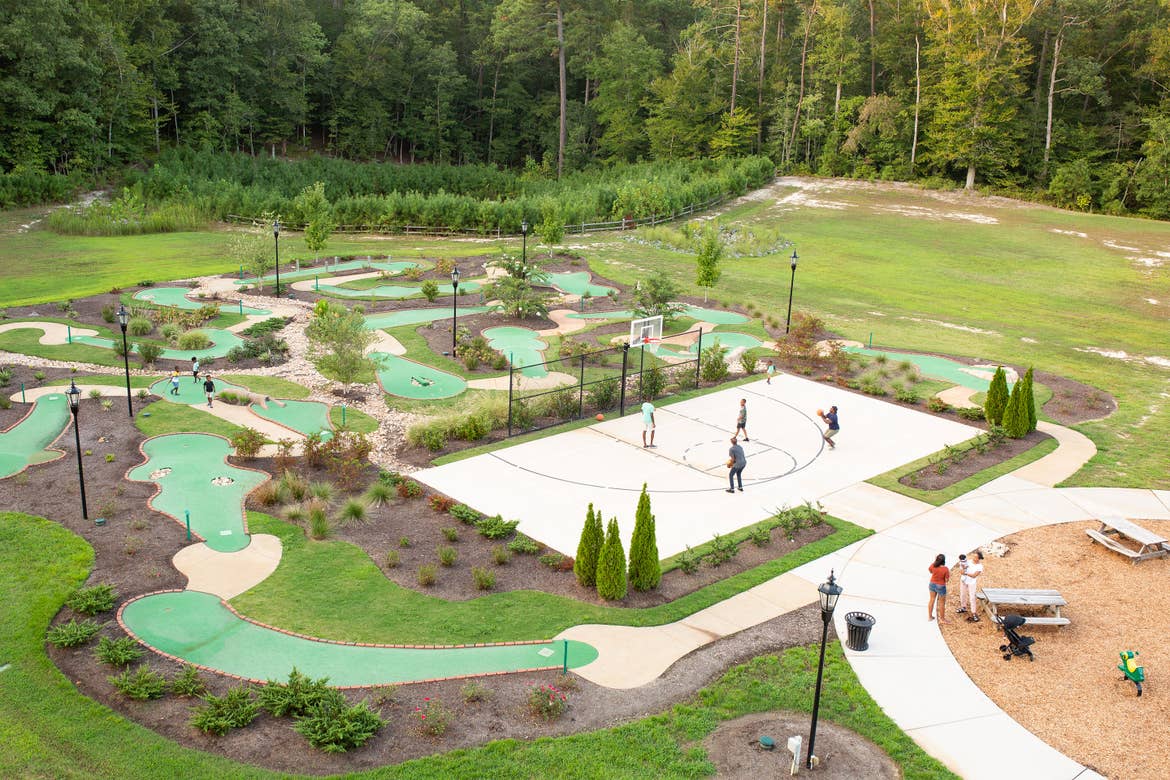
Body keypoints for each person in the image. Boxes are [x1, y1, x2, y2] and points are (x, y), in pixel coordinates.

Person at [960, 551, 983, 621]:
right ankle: (963, 607)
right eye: (973, 556)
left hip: (972, 583)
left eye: (975, 557)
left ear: (979, 558)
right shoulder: (969, 561)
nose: (973, 558)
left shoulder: (980, 566)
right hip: (964, 581)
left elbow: (974, 575)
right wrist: (962, 568)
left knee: (972, 597)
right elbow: (963, 568)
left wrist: (965, 573)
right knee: (963, 595)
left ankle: (974, 612)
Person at [927, 554, 951, 623]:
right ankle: (942, 619)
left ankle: (930, 617)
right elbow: (946, 580)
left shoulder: (933, 565)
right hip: (940, 586)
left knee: (931, 600)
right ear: (944, 561)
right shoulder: (945, 569)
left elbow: (930, 570)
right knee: (941, 603)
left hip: (932, 584)